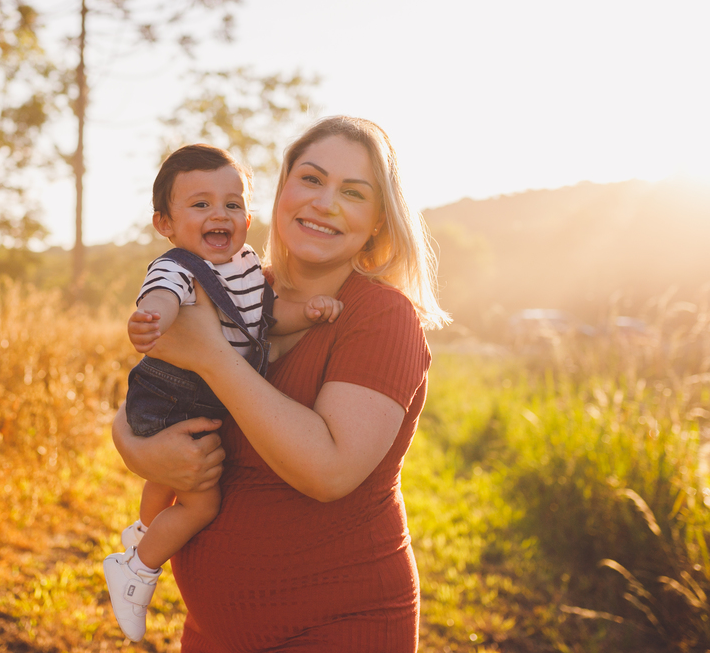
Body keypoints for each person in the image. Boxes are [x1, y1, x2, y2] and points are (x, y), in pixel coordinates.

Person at [112, 116, 450, 651]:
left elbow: (329, 470)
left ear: (379, 221)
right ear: (281, 190)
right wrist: (135, 449)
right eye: (311, 180)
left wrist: (214, 357)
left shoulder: (381, 317)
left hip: (338, 628)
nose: (325, 203)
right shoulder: (229, 289)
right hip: (211, 634)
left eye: (353, 193)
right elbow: (150, 390)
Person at [104, 143, 343, 642]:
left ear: (248, 218)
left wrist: (310, 312)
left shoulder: (248, 265)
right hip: (173, 395)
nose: (220, 214)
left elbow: (265, 318)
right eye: (200, 204)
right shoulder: (181, 266)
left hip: (200, 397)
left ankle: (143, 535)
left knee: (169, 477)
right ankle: (138, 568)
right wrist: (152, 320)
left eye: (232, 204)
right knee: (200, 503)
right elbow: (163, 294)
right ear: (164, 224)